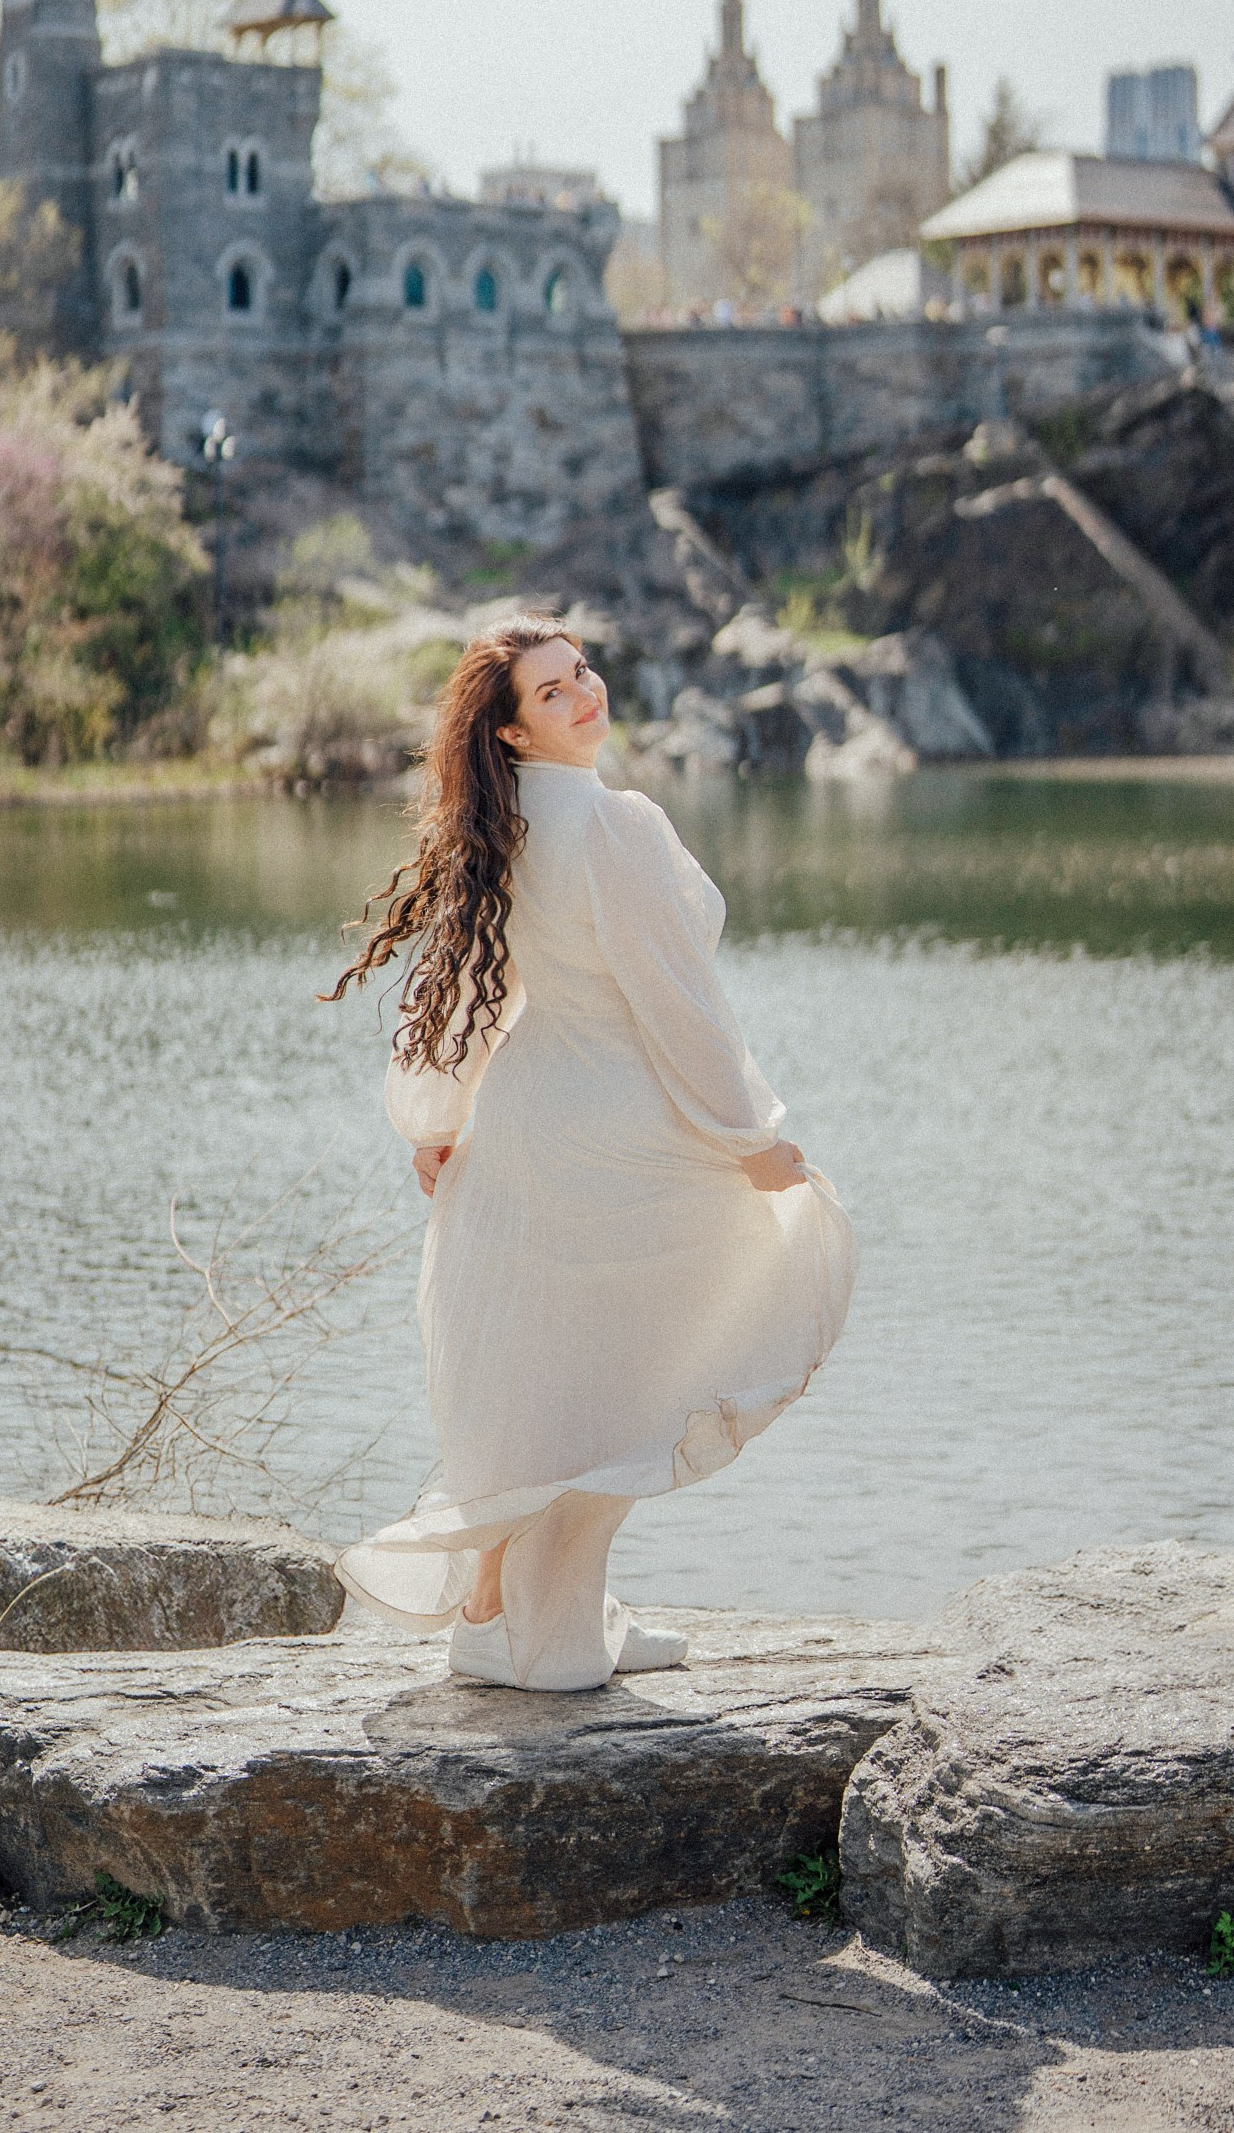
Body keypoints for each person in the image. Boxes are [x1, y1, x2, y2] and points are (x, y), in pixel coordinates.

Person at [325, 615, 856, 1691]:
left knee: (554, 1384)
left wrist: (440, 1123)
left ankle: (515, 1613)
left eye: (582, 673)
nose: (585, 694)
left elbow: (471, 998)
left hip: (526, 1129)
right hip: (615, 1133)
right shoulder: (611, 824)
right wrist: (744, 1136)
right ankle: (541, 1635)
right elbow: (679, 1006)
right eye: (553, 691)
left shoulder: (494, 825)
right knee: (618, 1383)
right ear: (513, 734)